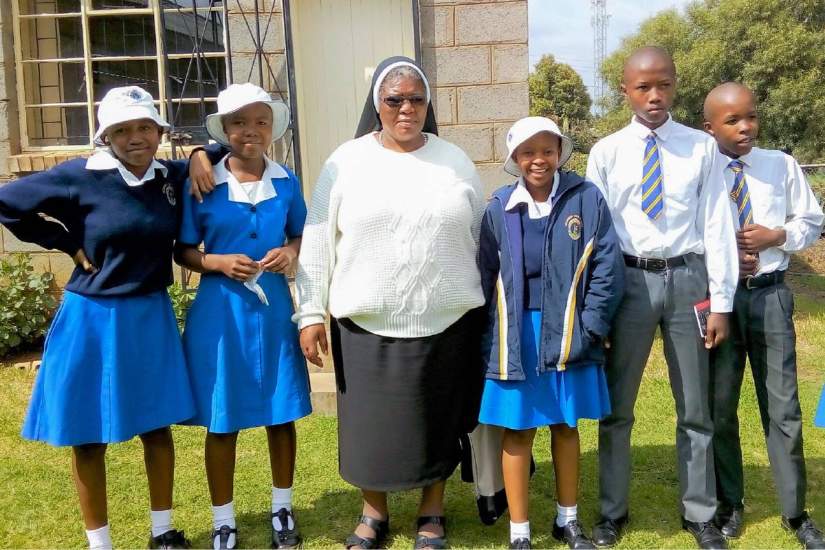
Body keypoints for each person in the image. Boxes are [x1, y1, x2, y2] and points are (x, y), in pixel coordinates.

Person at [0, 86, 222, 550]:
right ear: (106, 137)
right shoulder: (79, 176)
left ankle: (163, 533)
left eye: (145, 126)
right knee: (88, 436)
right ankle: (100, 542)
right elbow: (8, 201)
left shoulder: (170, 175)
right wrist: (62, 241)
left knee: (157, 428)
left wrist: (200, 150)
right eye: (122, 129)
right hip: (93, 319)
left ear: (160, 131)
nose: (136, 137)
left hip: (150, 315)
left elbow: (227, 145)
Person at [293, 55, 485, 549]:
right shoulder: (345, 162)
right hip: (367, 323)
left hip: (446, 320)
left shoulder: (454, 160)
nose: (406, 108)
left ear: (427, 105)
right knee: (370, 429)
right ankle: (373, 513)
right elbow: (317, 240)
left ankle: (432, 512)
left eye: (416, 99)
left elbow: (479, 236)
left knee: (437, 420)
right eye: (394, 99)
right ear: (377, 104)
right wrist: (311, 312)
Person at [585, 47, 738, 549]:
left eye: (664, 85)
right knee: (617, 406)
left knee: (695, 406)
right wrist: (597, 308)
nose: (655, 96)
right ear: (625, 90)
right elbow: (596, 235)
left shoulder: (701, 149)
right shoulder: (606, 153)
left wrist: (721, 301)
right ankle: (611, 511)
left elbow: (716, 224)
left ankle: (699, 513)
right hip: (628, 284)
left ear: (675, 86)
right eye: (643, 87)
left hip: (689, 280)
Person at [476, 116, 623, 549]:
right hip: (516, 336)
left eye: (546, 150)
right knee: (518, 430)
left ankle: (567, 520)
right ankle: (520, 531)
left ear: (560, 152)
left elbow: (607, 267)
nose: (538, 159)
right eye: (527, 152)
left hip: (568, 333)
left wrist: (591, 327)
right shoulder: (498, 208)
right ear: (514, 159)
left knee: (564, 425)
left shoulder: (587, 199)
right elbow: (485, 277)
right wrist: (488, 340)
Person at [175, 83, 311, 550]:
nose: (249, 131)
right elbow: (186, 250)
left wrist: (289, 254)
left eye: (260, 121)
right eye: (238, 122)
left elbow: (299, 236)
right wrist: (217, 262)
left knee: (281, 409)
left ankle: (282, 507)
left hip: (272, 308)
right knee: (222, 416)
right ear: (224, 130)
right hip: (221, 312)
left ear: (272, 129)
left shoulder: (287, 182)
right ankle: (223, 520)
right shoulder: (204, 182)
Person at [703, 82, 825, 548]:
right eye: (732, 120)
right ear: (709, 126)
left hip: (770, 296)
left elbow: (810, 221)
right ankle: (729, 503)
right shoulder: (701, 170)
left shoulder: (781, 166)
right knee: (720, 406)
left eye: (751, 116)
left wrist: (775, 236)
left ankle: (795, 512)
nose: (745, 127)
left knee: (783, 406)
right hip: (721, 300)